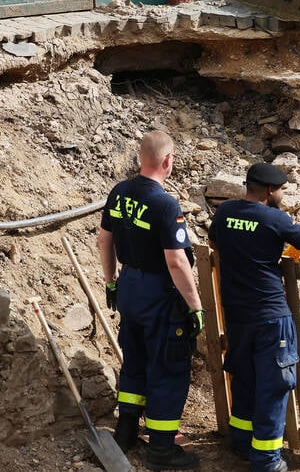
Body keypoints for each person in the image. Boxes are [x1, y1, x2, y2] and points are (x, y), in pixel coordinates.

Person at [97, 130, 204, 471]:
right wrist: (195, 306)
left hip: (129, 287)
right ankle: (161, 450)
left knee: (135, 359)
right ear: (168, 161)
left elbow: (104, 240)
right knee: (167, 369)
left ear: (140, 156)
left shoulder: (119, 193)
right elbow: (176, 261)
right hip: (160, 293)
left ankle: (125, 431)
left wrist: (112, 282)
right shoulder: (165, 204)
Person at [208, 162, 300, 472]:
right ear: (271, 191)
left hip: (237, 315)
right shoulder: (276, 219)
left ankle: (241, 442)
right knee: (274, 386)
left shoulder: (224, 212)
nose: (283, 196)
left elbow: (213, 242)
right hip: (271, 316)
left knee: (244, 378)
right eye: (283, 190)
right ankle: (267, 460)